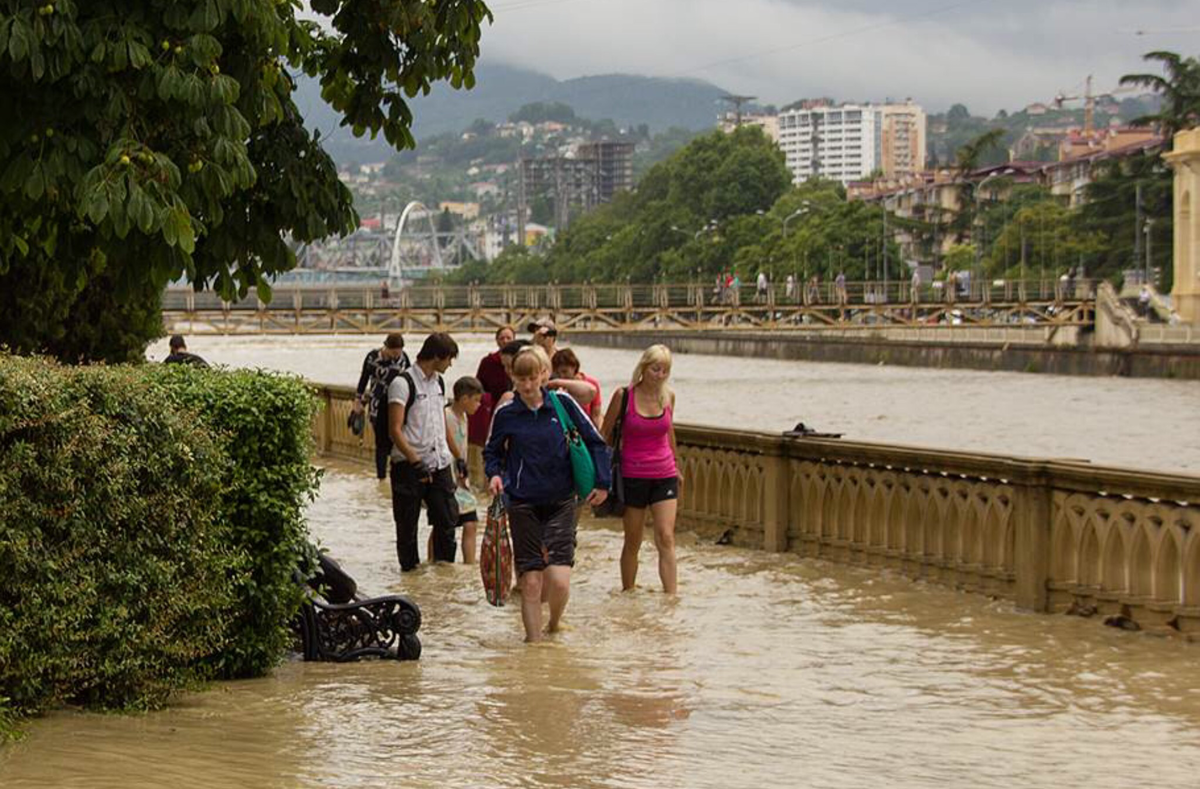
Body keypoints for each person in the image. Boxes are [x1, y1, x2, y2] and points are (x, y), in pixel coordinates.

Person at [485, 346, 610, 642]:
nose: (527, 386)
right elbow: (492, 452)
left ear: (544, 374)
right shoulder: (507, 412)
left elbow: (595, 441)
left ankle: (554, 623)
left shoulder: (562, 404)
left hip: (561, 501)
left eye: (533, 378)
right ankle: (534, 647)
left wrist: (603, 483)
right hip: (522, 502)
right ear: (512, 377)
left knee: (559, 582)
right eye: (521, 379)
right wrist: (495, 475)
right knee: (530, 582)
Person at [600, 344, 681, 595]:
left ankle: (671, 597)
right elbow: (605, 434)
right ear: (644, 368)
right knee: (633, 540)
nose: (660, 375)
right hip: (632, 475)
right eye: (656, 369)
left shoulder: (668, 397)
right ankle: (629, 591)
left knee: (666, 537)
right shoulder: (624, 396)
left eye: (665, 371)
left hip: (664, 473)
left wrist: (677, 466)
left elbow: (669, 432)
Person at [388, 332, 459, 572]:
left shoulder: (438, 382)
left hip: (439, 462)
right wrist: (415, 461)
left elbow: (441, 422)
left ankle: (443, 577)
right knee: (407, 526)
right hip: (409, 466)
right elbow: (394, 429)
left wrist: (457, 457)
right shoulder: (402, 383)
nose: (450, 365)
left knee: (447, 522)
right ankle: (411, 577)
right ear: (437, 356)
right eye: (449, 359)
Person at [353, 333, 411, 480]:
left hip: (397, 404)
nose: (396, 355)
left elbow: (410, 380)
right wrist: (358, 400)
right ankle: (381, 478)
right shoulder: (372, 357)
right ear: (386, 347)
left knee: (397, 440)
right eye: (394, 352)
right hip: (377, 405)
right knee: (381, 443)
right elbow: (363, 379)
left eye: (399, 351)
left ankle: (395, 474)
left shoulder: (404, 359)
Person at [442, 376, 484, 564]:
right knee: (444, 527)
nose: (479, 405)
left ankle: (469, 564)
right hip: (446, 478)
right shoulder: (446, 415)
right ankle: (438, 562)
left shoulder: (464, 417)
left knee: (470, 522)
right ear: (464, 399)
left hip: (460, 479)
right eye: (476, 400)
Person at [551, 348, 602, 426]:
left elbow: (596, 415)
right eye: (558, 373)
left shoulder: (591, 384)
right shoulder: (555, 387)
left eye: (565, 371)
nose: (562, 376)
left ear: (574, 367)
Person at [476, 325, 516, 402]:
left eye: (508, 338)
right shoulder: (487, 362)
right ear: (497, 341)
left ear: (514, 339)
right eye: (502, 338)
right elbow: (479, 386)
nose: (505, 341)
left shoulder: (521, 360)